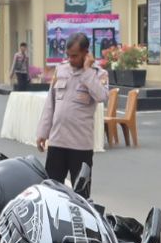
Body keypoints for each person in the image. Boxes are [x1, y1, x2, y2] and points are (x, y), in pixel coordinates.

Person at [36, 32, 110, 192]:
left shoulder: (98, 74)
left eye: (75, 56)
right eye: (68, 55)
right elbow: (51, 103)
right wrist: (43, 131)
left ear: (86, 52)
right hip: (57, 143)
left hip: (80, 146)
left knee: (81, 195)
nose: (71, 59)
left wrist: (86, 71)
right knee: (51, 192)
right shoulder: (61, 70)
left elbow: (102, 96)